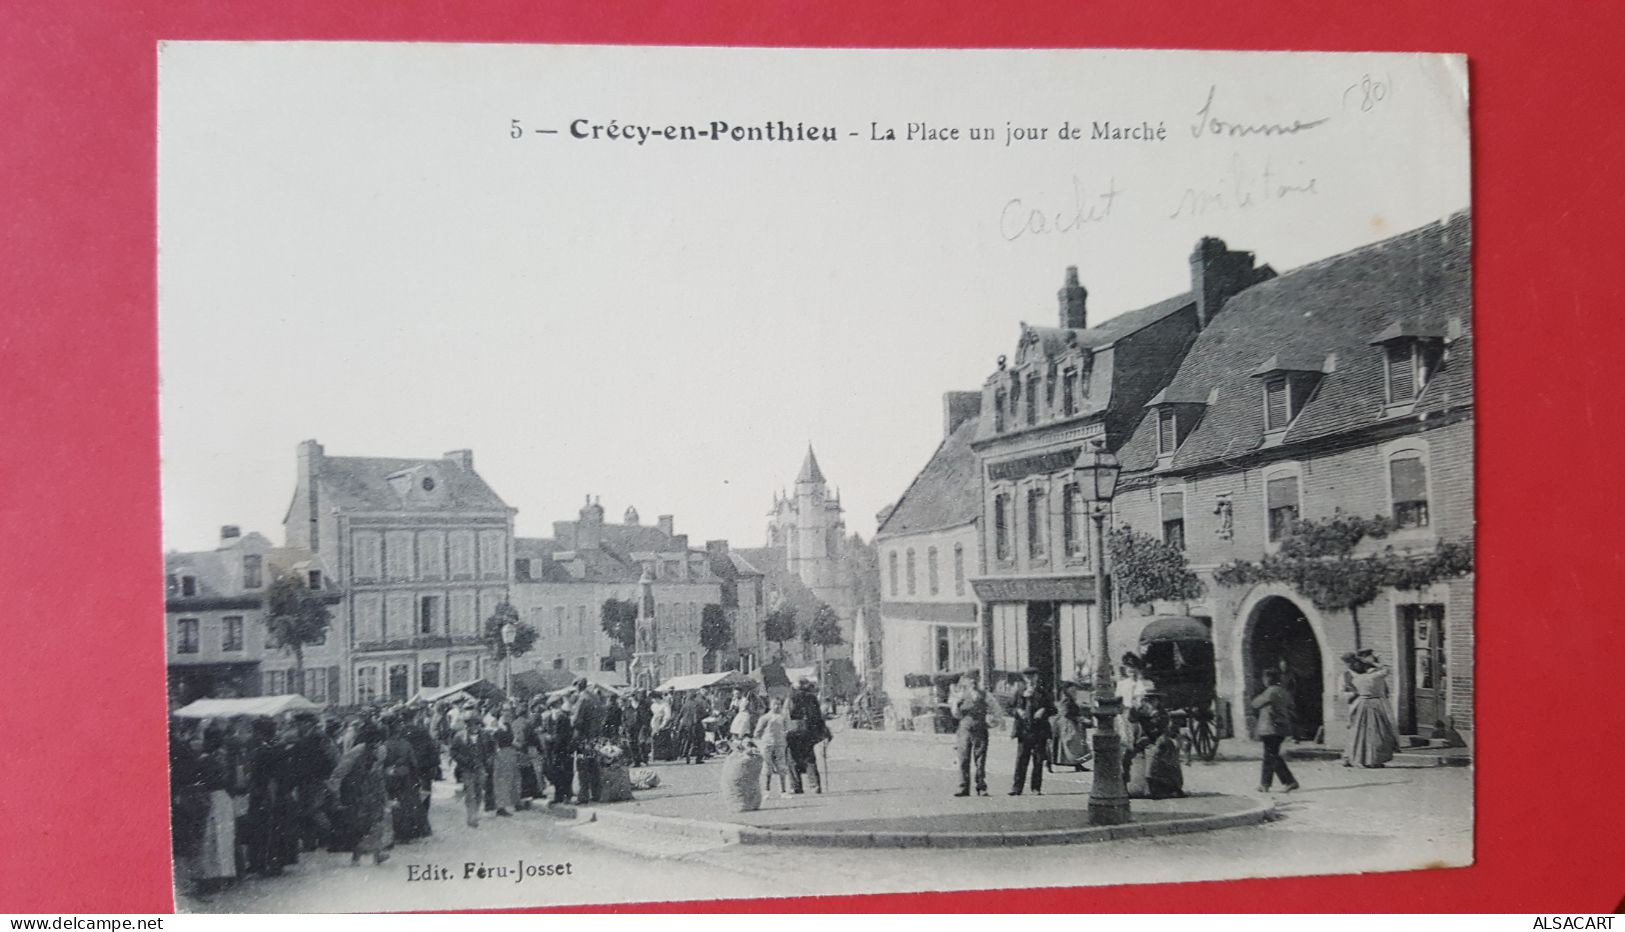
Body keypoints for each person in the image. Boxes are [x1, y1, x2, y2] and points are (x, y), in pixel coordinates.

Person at [188, 724, 238, 893]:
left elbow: (200, 780)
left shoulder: (205, 759)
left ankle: (212, 874)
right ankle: (227, 873)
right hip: (224, 797)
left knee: (210, 838)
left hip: (211, 797)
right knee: (224, 836)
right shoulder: (225, 756)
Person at [333, 724, 393, 865]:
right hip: (362, 791)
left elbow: (341, 769)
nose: (376, 743)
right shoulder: (368, 751)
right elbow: (341, 770)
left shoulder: (368, 750)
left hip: (366, 791)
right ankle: (360, 856)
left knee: (373, 823)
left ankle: (373, 855)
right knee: (367, 824)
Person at [1343, 649, 1399, 768]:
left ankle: (1361, 760)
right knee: (1377, 733)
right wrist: (1375, 662)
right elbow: (1387, 669)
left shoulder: (1357, 679)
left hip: (1362, 704)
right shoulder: (1375, 676)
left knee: (1361, 734)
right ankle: (1374, 760)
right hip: (1376, 704)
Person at [1251, 668, 1300, 792]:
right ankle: (1289, 781)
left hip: (1270, 728)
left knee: (1269, 756)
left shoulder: (1270, 691)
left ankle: (1265, 784)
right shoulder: (1284, 691)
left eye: (1265, 678)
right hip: (1281, 727)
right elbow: (1291, 706)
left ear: (1268, 679)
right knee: (1273, 755)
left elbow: (1255, 704)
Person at [1008, 668, 1053, 796]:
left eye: (1033, 676)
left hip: (1039, 730)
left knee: (1038, 760)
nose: (1030, 679)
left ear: (1037, 677)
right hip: (1023, 730)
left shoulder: (1043, 692)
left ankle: (1036, 787)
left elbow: (1053, 709)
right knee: (1021, 759)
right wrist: (1018, 711)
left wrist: (1043, 710)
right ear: (1024, 678)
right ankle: (1017, 788)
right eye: (1027, 677)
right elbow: (1009, 707)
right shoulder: (1019, 692)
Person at [448, 712, 493, 828]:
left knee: (478, 792)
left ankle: (476, 811)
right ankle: (471, 816)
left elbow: (492, 750)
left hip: (481, 768)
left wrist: (488, 759)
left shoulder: (486, 736)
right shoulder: (459, 736)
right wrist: (463, 760)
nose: (473, 727)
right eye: (470, 724)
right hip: (466, 769)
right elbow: (453, 752)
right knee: (470, 793)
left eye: (476, 724)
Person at [786, 678, 830, 794]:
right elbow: (818, 717)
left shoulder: (792, 698)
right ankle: (814, 785)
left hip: (793, 732)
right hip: (809, 732)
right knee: (809, 758)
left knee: (792, 759)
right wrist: (823, 732)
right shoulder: (812, 698)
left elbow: (787, 714)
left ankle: (796, 786)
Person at [952, 677, 990, 797]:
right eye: (970, 680)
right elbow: (955, 714)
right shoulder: (961, 695)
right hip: (965, 728)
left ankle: (981, 786)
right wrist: (957, 703)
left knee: (980, 759)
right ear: (967, 682)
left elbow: (996, 710)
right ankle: (963, 787)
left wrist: (991, 723)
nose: (973, 683)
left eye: (975, 680)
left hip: (980, 728)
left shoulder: (985, 695)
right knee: (963, 758)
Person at [570, 679, 605, 804]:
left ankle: (583, 795)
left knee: (582, 766)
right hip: (594, 737)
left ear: (578, 687)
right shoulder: (595, 697)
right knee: (593, 765)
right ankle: (597, 794)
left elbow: (576, 721)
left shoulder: (582, 699)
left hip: (583, 737)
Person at [538, 695, 574, 805]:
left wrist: (552, 738)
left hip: (563, 749)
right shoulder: (548, 719)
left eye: (555, 705)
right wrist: (546, 737)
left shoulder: (563, 718)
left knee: (565, 773)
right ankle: (559, 795)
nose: (554, 708)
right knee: (555, 773)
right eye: (552, 706)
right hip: (552, 750)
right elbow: (545, 731)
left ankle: (567, 795)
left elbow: (565, 735)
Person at [753, 696, 791, 797]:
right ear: (770, 706)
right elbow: (757, 733)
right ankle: (766, 790)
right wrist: (760, 743)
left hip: (780, 744)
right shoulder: (765, 718)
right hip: (767, 745)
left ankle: (783, 791)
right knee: (767, 768)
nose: (777, 706)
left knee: (782, 767)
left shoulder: (783, 717)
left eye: (779, 704)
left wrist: (785, 735)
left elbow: (787, 729)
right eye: (775, 704)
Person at [1051, 682, 1090, 773]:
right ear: (1067, 690)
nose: (1075, 691)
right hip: (1069, 724)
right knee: (1072, 744)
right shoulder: (1066, 700)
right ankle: (1077, 764)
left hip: (1072, 723)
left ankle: (1078, 764)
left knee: (1075, 745)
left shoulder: (1070, 699)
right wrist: (1079, 718)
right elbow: (1066, 713)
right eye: (1072, 690)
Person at [490, 730, 522, 816]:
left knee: (502, 785)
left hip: (502, 759)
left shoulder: (499, 752)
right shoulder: (513, 751)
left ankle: (501, 806)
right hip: (511, 757)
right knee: (514, 782)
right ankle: (516, 803)